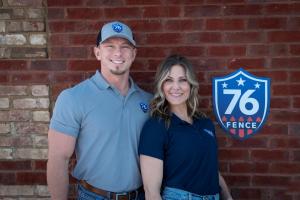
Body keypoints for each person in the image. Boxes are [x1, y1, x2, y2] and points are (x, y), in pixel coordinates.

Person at [47, 21, 152, 200]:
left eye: (125, 47)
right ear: (97, 52)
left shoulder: (149, 101)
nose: (118, 53)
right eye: (109, 46)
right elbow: (58, 159)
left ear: (134, 54)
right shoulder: (73, 98)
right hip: (94, 196)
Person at [138, 55, 233, 200]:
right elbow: (152, 192)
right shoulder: (156, 127)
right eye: (169, 80)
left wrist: (227, 196)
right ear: (162, 85)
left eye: (182, 80)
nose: (176, 87)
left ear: (191, 85)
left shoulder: (204, 123)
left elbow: (211, 167)